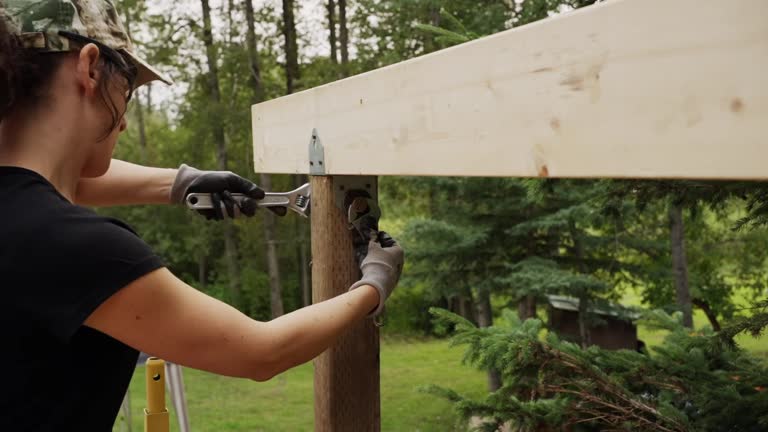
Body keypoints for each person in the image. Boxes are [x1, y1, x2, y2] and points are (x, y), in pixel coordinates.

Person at [0, 1, 404, 430]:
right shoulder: (76, 249)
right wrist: (374, 284)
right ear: (91, 67)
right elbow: (261, 351)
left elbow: (54, 182)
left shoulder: (23, 223)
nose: (123, 122)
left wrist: (180, 183)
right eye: (129, 87)